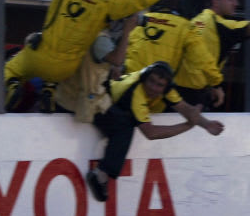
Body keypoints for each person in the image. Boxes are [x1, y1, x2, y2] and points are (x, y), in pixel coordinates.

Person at [4, 0, 192, 112]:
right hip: (66, 70)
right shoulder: (109, 3)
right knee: (57, 70)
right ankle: (49, 89)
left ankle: (12, 86)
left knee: (11, 69)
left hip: (39, 57)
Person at [85, 61, 225, 202]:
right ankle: (100, 174)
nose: (153, 88)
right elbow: (150, 133)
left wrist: (206, 124)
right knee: (125, 127)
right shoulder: (136, 93)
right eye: (151, 81)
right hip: (98, 102)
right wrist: (187, 126)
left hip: (111, 101)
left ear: (166, 87)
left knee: (126, 122)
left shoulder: (166, 89)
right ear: (145, 78)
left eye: (159, 85)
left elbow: (183, 107)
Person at [173, 0, 250, 108]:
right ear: (215, 1)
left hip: (178, 89)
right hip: (194, 94)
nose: (236, 3)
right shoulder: (219, 25)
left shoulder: (198, 21)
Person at [125, 0, 225, 105]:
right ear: (177, 3)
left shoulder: (139, 20)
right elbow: (202, 58)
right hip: (156, 94)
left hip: (129, 87)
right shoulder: (185, 27)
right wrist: (217, 83)